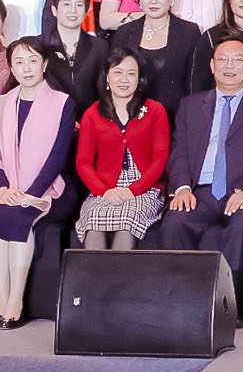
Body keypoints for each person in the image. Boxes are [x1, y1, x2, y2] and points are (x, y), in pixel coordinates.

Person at [0, 39, 74, 328]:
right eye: (19, 62)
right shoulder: (1, 104)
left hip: (49, 189)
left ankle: (16, 301)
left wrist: (31, 193)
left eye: (33, 61)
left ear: (45, 64)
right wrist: (2, 188)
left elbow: (57, 156)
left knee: (19, 215)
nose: (26, 68)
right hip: (8, 189)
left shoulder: (62, 103)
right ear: (11, 68)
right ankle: (2, 301)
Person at [160, 36, 243, 280]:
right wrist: (182, 188)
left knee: (242, 228)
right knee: (174, 223)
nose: (229, 66)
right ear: (212, 65)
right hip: (200, 192)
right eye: (223, 59)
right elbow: (179, 152)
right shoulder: (190, 106)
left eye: (237, 60)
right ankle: (187, 297)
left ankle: (228, 300)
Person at [73, 50, 170, 251]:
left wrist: (132, 190)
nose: (124, 79)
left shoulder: (155, 110)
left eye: (131, 73)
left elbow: (160, 159)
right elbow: (83, 163)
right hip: (105, 189)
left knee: (127, 221)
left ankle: (118, 273)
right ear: (107, 77)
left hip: (144, 190)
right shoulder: (92, 114)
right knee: (94, 220)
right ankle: (91, 273)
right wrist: (103, 191)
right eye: (118, 72)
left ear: (139, 79)